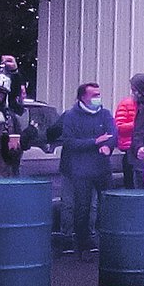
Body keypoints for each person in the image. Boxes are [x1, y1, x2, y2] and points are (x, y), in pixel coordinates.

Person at [47, 83, 117, 257]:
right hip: (79, 170)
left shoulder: (105, 114)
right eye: (94, 95)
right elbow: (69, 142)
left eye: (99, 94)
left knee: (105, 205)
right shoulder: (71, 116)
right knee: (80, 207)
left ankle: (105, 242)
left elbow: (112, 134)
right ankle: (81, 244)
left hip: (101, 168)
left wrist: (107, 146)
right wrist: (95, 142)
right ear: (82, 97)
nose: (98, 98)